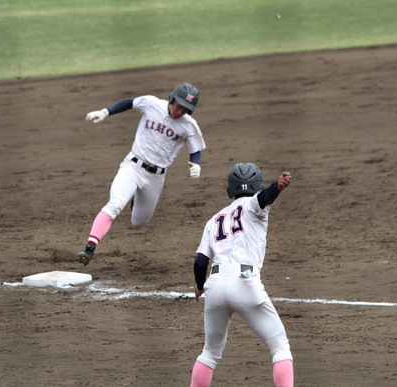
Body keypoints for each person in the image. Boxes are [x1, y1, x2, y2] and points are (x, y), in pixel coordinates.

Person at [77, 83, 206, 265]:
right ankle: (90, 247)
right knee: (115, 204)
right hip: (132, 167)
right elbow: (130, 103)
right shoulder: (152, 104)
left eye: (186, 110)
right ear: (172, 99)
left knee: (139, 223)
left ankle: (135, 197)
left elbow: (196, 151)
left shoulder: (189, 125)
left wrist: (196, 164)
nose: (180, 112)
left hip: (156, 178)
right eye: (179, 106)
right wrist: (105, 112)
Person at [190, 163, 294, 387]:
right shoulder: (252, 206)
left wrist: (199, 286)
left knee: (209, 353)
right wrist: (278, 186)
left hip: (215, 286)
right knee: (279, 346)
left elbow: (200, 262)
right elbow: (265, 197)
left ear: (231, 189)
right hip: (246, 283)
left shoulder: (214, 220)